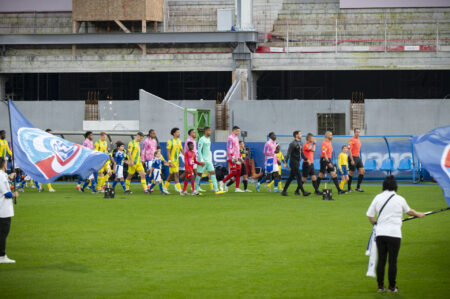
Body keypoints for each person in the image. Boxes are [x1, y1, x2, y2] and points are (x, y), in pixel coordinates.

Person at [366, 175, 425, 293]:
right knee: (392, 261)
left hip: (380, 234)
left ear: (384, 185)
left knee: (381, 260)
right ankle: (392, 287)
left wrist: (375, 223)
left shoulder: (378, 197)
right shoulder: (400, 199)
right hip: (395, 234)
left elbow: (370, 216)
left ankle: (380, 286)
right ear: (395, 186)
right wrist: (419, 214)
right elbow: (409, 212)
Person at [195, 127, 225, 195]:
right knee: (199, 174)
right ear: (205, 131)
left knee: (213, 173)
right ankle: (195, 190)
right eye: (209, 131)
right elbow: (199, 151)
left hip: (208, 160)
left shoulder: (208, 139)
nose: (210, 132)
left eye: (210, 130)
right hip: (202, 161)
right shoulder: (201, 139)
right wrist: (201, 160)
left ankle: (216, 190)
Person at [0, 157, 18, 264]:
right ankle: (2, 256)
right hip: (3, 210)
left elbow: (5, 178)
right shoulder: (1, 177)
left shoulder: (3, 175)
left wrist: (10, 177)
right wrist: (14, 194)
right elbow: (6, 193)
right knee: (3, 234)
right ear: (4, 164)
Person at [281, 130, 310, 197]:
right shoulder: (292, 144)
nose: (301, 135)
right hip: (293, 162)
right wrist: (285, 163)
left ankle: (284, 191)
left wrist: (306, 159)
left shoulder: (300, 143)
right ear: (296, 135)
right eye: (300, 134)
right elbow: (288, 154)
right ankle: (303, 192)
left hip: (297, 162)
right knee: (299, 177)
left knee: (291, 177)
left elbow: (302, 153)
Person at [220, 126, 244, 193]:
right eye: (237, 131)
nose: (238, 132)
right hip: (232, 158)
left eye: (239, 131)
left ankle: (237, 188)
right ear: (234, 130)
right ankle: (222, 182)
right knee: (234, 172)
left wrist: (240, 157)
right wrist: (233, 157)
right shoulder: (230, 138)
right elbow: (229, 148)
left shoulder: (236, 138)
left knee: (239, 172)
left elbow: (237, 149)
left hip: (237, 158)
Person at [164, 128, 184, 194]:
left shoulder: (179, 141)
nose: (179, 133)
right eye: (177, 132)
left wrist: (187, 157)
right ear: (174, 133)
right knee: (176, 175)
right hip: (172, 161)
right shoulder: (170, 141)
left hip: (177, 161)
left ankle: (164, 188)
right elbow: (168, 152)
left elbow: (182, 150)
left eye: (179, 132)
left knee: (171, 175)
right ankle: (179, 189)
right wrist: (169, 161)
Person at [348, 128, 365, 192]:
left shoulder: (359, 140)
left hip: (358, 158)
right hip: (352, 157)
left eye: (359, 132)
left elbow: (358, 150)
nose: (358, 133)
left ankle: (358, 187)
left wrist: (359, 158)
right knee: (351, 173)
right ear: (354, 133)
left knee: (362, 171)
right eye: (356, 132)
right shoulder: (351, 140)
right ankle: (349, 188)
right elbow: (349, 150)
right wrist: (352, 160)